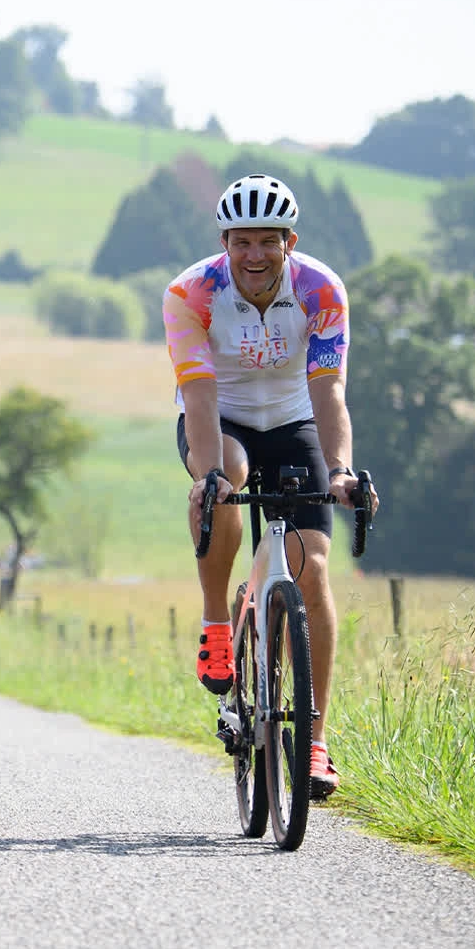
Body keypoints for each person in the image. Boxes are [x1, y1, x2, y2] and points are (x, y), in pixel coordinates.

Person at [164, 172, 377, 800]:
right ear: (225, 243)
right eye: (241, 242)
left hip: (294, 420)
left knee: (313, 572)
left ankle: (314, 743)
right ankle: (217, 625)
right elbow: (198, 396)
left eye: (267, 242)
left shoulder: (320, 289)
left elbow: (328, 389)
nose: (254, 255)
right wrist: (209, 476)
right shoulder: (191, 293)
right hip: (219, 417)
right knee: (222, 478)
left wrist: (338, 470)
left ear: (290, 241)